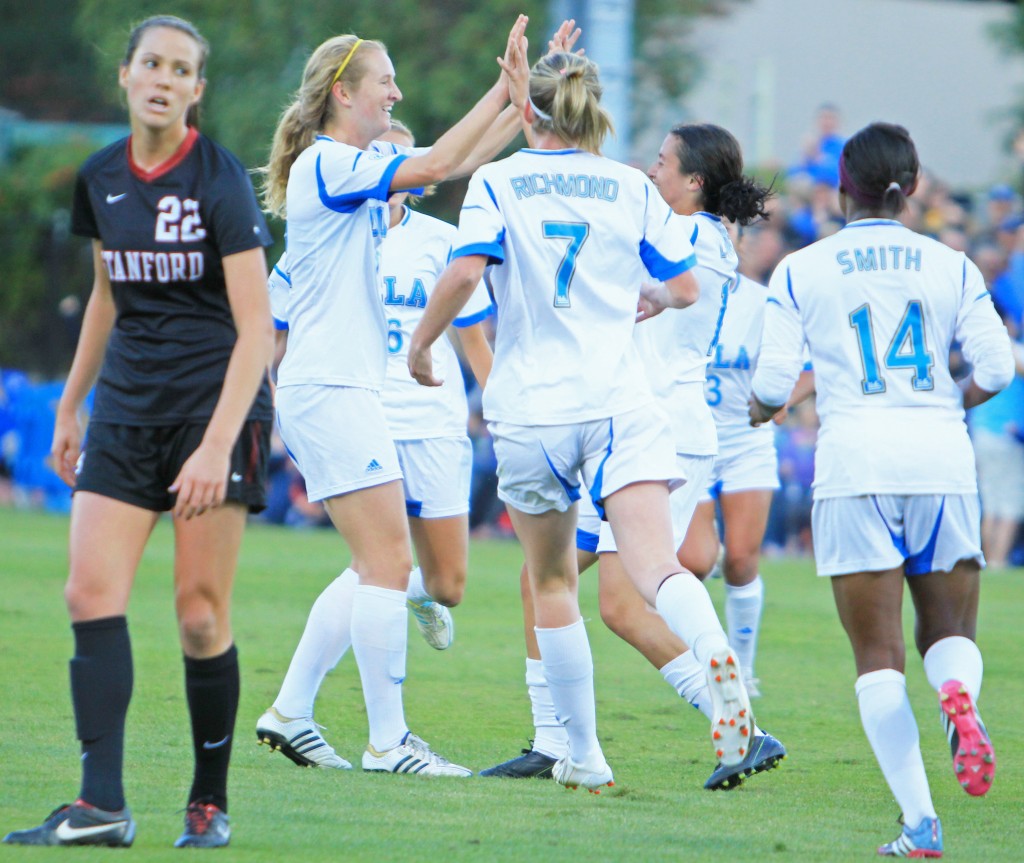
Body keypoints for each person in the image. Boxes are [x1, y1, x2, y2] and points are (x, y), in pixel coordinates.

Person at [409, 50, 753, 792]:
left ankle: (585, 755)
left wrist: (420, 340)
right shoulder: (631, 184)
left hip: (533, 408)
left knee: (553, 581)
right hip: (621, 402)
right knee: (657, 566)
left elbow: (467, 273)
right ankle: (716, 653)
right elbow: (685, 286)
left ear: (527, 110)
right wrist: (654, 300)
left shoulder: (497, 181)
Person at [2, 16, 274, 849]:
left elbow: (257, 331)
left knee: (198, 615)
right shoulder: (100, 179)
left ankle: (207, 800)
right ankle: (101, 805)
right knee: (88, 593)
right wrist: (69, 403)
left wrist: (215, 444)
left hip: (211, 410)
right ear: (125, 77)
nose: (162, 77)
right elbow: (108, 295)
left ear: (197, 89)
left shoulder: (219, 181)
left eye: (180, 68)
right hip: (125, 406)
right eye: (149, 63)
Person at [254, 17, 529, 777]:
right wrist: (503, 89)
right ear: (343, 93)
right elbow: (441, 155)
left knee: (377, 563)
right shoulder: (326, 163)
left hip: (341, 388)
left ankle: (292, 712)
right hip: (331, 388)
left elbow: (454, 161)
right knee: (385, 564)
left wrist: (519, 105)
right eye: (385, 82)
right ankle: (387, 742)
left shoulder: (347, 162)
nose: (397, 93)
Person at [480, 122, 784, 791]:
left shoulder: (685, 238)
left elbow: (594, 228)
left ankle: (732, 713)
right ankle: (551, 737)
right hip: (639, 421)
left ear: (694, 180)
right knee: (543, 579)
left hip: (647, 426)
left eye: (662, 161)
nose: (649, 171)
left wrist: (548, 133)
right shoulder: (708, 239)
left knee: (618, 598)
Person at [749, 122, 1013, 858]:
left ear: (841, 191)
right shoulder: (951, 263)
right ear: (916, 185)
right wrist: (948, 402)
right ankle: (959, 698)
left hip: (855, 461)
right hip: (939, 457)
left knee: (878, 656)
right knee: (948, 634)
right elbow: (997, 367)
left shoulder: (804, 268)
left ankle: (922, 825)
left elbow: (772, 383)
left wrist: (759, 409)